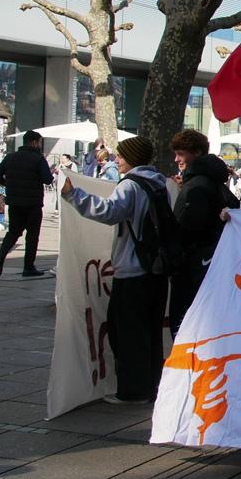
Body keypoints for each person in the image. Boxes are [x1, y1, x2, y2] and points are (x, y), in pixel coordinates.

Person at [60, 136, 168, 404]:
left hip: (132, 269)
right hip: (156, 269)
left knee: (126, 333)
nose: (116, 160)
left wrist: (75, 195)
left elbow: (109, 212)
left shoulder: (131, 185)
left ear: (133, 157)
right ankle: (151, 385)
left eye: (121, 156)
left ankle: (133, 391)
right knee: (150, 332)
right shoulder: (158, 184)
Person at [169, 129, 239, 336]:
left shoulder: (197, 187)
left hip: (194, 268)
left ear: (197, 153)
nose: (176, 159)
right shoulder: (214, 183)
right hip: (210, 264)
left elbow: (188, 228)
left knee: (187, 326)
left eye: (181, 154)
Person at [0, 130, 54, 278]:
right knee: (32, 235)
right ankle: (28, 267)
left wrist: (8, 184)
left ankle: (0, 257)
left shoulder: (10, 157)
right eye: (39, 142)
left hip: (14, 202)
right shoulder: (38, 159)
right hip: (33, 203)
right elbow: (47, 179)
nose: (39, 145)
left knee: (13, 232)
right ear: (34, 142)